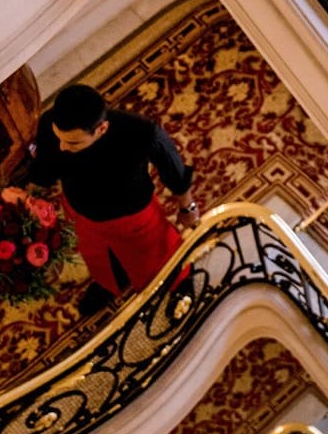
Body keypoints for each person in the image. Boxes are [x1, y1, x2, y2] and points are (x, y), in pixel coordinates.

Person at [26, 82, 199, 316]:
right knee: (98, 257)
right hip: (82, 213)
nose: (62, 147)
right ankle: (111, 282)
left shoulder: (141, 131)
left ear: (101, 129)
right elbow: (46, 171)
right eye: (59, 138)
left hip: (132, 215)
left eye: (73, 142)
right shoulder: (51, 124)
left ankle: (181, 282)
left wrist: (187, 207)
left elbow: (174, 171)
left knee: (157, 254)